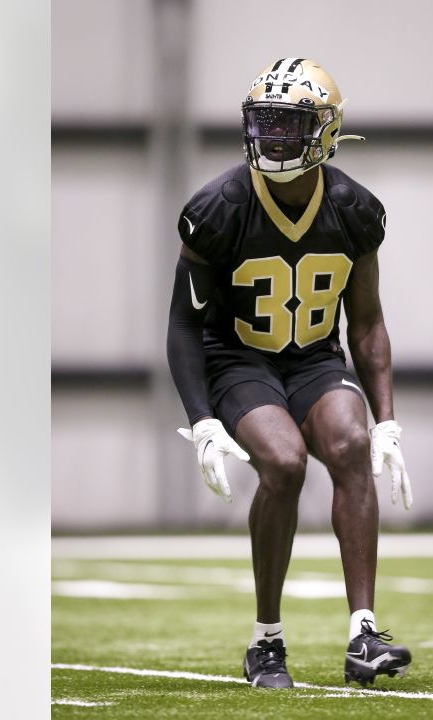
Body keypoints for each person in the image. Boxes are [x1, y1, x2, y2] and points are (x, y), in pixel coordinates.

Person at [166, 58, 414, 689]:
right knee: (283, 462)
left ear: (326, 130)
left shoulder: (356, 209)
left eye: (289, 124)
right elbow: (185, 326)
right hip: (238, 358)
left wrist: (387, 420)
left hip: (313, 357)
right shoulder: (217, 208)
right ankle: (266, 642)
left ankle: (364, 633)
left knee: (352, 446)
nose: (274, 137)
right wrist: (201, 421)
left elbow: (366, 322)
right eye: (265, 123)